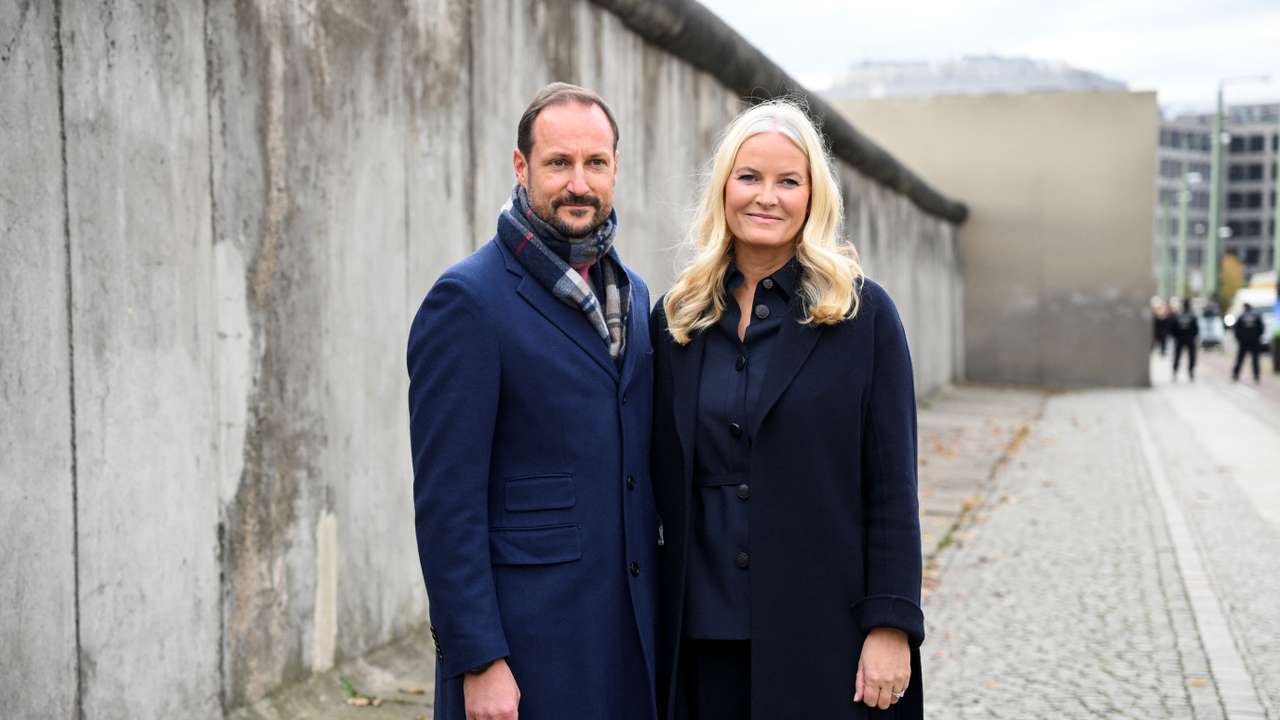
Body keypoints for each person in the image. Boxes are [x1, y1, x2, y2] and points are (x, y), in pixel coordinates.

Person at [650, 99, 924, 719]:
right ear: (723, 190)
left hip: (826, 628)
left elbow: (893, 487)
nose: (765, 197)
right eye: (749, 178)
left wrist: (891, 624)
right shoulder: (676, 321)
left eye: (788, 181)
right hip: (701, 636)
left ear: (814, 196)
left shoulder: (862, 315)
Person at [407, 83, 657, 720]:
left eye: (595, 163)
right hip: (524, 654)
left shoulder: (636, 294)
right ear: (522, 167)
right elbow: (447, 505)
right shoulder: (468, 301)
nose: (579, 183)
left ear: (615, 168)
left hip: (627, 640)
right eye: (558, 163)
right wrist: (479, 660)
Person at [1232, 302, 1264, 382]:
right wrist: (1257, 337)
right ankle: (1256, 376)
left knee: (1240, 359)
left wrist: (1240, 339)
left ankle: (1236, 375)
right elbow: (1261, 328)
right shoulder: (1257, 316)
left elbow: (1236, 330)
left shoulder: (1242, 316)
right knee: (1255, 359)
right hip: (1255, 341)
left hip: (1243, 342)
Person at [1171, 298, 1199, 381]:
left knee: (1178, 356)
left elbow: (1173, 329)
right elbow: (1196, 329)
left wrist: (1176, 337)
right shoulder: (1192, 316)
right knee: (1190, 357)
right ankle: (1190, 372)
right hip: (1188, 339)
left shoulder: (1178, 316)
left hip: (1181, 339)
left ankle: (1176, 371)